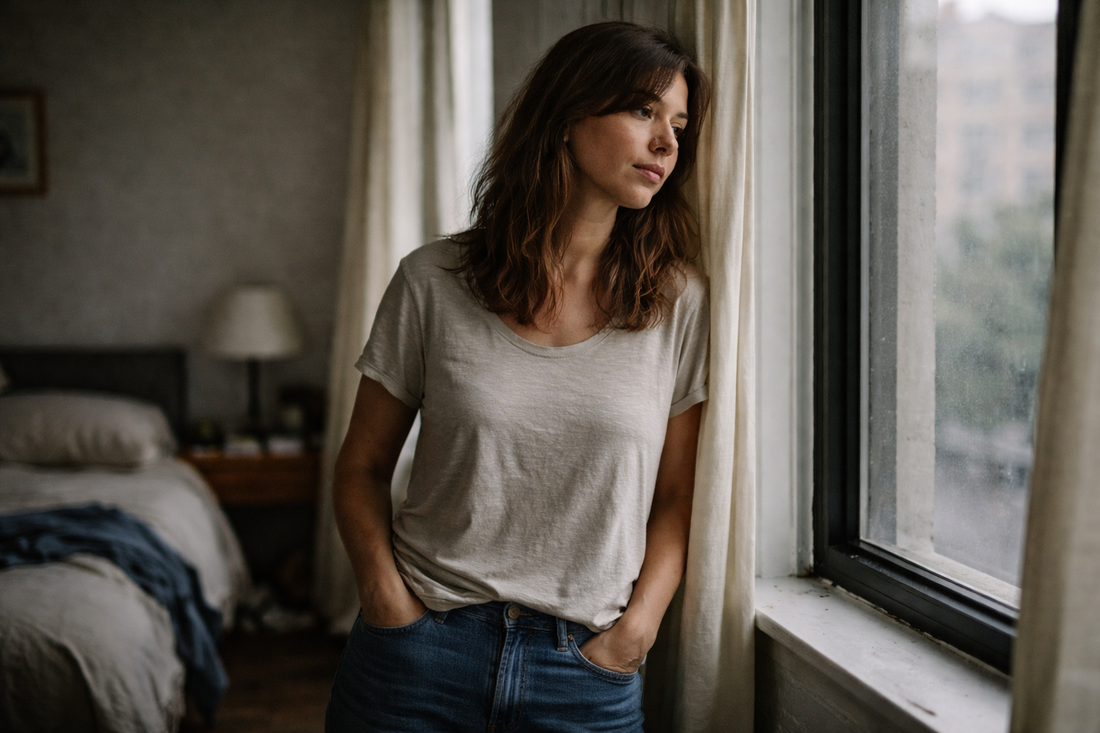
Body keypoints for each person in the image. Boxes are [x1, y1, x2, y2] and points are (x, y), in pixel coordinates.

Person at [325, 20, 711, 733]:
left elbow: (679, 497)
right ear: (567, 116)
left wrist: (635, 633)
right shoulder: (432, 281)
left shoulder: (676, 305)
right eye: (642, 111)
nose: (667, 143)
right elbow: (362, 465)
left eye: (679, 124)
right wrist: (387, 601)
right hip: (419, 653)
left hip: (584, 673)